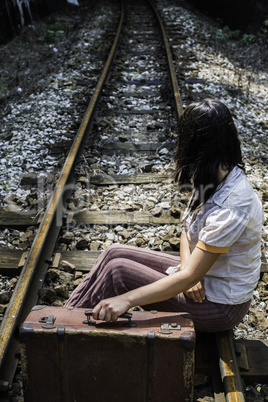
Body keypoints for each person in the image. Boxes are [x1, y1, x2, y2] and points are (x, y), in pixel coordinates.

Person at [65, 98, 264, 332]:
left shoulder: (231, 206)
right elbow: (186, 231)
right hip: (207, 278)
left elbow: (189, 276)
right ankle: (67, 315)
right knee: (113, 252)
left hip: (220, 306)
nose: (177, 140)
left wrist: (126, 300)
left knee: (117, 272)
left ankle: (65, 329)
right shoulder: (216, 173)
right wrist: (192, 273)